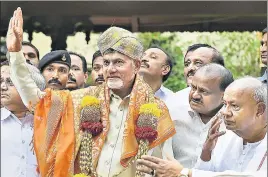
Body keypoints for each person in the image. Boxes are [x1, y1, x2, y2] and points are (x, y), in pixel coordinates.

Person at [7, 7, 175, 177]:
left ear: (136, 66)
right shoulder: (81, 99)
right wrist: (15, 55)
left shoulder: (157, 109)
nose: (110, 69)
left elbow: (165, 167)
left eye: (118, 62)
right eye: (106, 63)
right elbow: (38, 101)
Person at [137, 77, 267, 177]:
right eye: (225, 104)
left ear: (259, 109)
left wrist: (184, 172)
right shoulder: (226, 136)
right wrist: (206, 153)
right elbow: (207, 172)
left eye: (234, 106)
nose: (225, 112)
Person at [138, 63, 233, 176]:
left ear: (224, 96)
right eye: (193, 88)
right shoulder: (171, 113)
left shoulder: (235, 124)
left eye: (204, 91)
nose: (195, 95)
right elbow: (153, 161)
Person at [1, 60, 46, 177]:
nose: (2, 87)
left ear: (32, 87)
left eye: (10, 82)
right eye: (0, 81)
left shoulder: (48, 122)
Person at [171, 44, 225, 109]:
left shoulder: (232, 100)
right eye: (187, 64)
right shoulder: (173, 102)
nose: (190, 68)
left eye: (198, 63)